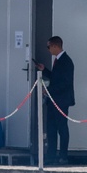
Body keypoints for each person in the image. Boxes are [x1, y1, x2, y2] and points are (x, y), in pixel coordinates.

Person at [36, 36, 75, 166]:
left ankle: (63, 155)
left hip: (61, 101)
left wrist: (49, 90)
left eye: (49, 47)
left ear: (55, 46)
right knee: (51, 128)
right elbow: (55, 78)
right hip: (53, 100)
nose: (48, 50)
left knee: (62, 128)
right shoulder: (58, 61)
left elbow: (65, 83)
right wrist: (45, 70)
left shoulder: (66, 61)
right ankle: (51, 155)